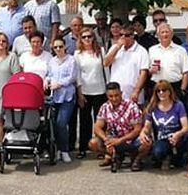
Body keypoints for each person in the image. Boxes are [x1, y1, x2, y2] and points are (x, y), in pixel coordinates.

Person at [88, 81, 151, 172]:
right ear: (107, 96)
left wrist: (120, 140)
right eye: (111, 96)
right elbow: (97, 127)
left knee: (147, 142)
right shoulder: (105, 107)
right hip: (113, 139)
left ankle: (137, 160)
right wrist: (106, 140)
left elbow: (137, 129)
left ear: (121, 93)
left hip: (131, 140)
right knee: (93, 143)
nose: (114, 99)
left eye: (116, 95)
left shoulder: (132, 106)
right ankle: (115, 156)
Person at [141, 80, 188, 177]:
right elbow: (147, 127)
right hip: (162, 139)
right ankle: (167, 157)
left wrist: (178, 134)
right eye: (158, 91)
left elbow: (186, 127)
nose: (161, 93)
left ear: (169, 91)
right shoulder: (152, 107)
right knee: (157, 153)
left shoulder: (178, 105)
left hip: (177, 138)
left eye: (164, 90)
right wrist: (143, 133)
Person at [74, 27, 107, 159]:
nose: (87, 39)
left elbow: (106, 70)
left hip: (100, 90)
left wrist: (108, 88)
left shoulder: (101, 51)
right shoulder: (77, 54)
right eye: (84, 37)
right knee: (84, 121)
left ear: (93, 37)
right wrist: (80, 93)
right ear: (80, 39)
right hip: (85, 91)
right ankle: (83, 148)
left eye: (89, 36)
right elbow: (77, 75)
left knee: (100, 122)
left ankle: (100, 148)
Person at [46, 37, 78, 162]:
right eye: (56, 47)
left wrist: (59, 84)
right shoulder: (52, 61)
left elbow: (72, 77)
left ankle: (64, 150)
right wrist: (46, 81)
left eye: (60, 46)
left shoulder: (71, 60)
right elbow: (49, 75)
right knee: (53, 124)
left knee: (61, 123)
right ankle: (57, 149)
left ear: (65, 46)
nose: (58, 49)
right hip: (54, 97)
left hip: (67, 96)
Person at [0, 31, 20, 155]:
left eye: (3, 41)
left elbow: (16, 75)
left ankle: (11, 149)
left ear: (7, 44)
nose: (1, 43)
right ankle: (2, 149)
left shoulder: (12, 57)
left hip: (8, 94)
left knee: (9, 123)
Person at [104, 24, 150, 105]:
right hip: (116, 96)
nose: (123, 37)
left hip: (133, 96)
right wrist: (117, 47)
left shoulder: (142, 51)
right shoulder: (115, 48)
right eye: (121, 35)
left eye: (126, 35)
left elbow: (143, 73)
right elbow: (106, 63)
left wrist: (136, 91)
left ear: (132, 36)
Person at [147, 23, 188, 97]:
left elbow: (186, 72)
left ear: (172, 34)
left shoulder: (181, 50)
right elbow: (147, 71)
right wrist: (151, 70)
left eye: (167, 32)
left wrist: (182, 90)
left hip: (175, 87)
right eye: (162, 32)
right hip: (157, 87)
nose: (165, 34)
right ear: (158, 35)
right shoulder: (152, 50)